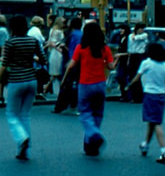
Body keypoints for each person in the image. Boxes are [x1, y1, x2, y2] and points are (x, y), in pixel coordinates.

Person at [0, 15, 46, 160]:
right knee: (25, 115)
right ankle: (23, 150)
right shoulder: (33, 41)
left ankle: (22, 139)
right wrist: (31, 58)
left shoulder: (10, 42)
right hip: (32, 80)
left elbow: (4, 64)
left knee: (11, 114)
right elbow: (43, 59)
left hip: (16, 80)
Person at [62, 22, 117, 157]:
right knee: (97, 113)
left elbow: (71, 65)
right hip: (100, 84)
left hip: (85, 84)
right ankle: (90, 145)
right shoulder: (104, 48)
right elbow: (110, 67)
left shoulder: (81, 48)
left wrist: (64, 80)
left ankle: (94, 134)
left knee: (85, 112)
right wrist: (115, 60)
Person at [125, 43, 165, 164]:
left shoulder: (147, 63)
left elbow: (137, 77)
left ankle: (164, 150)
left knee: (155, 123)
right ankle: (145, 144)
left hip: (150, 94)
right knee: (152, 121)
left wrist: (129, 86)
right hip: (162, 95)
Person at [53, 17, 84, 114]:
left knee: (67, 83)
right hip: (81, 62)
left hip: (72, 61)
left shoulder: (73, 35)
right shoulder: (82, 34)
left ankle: (62, 106)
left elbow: (73, 49)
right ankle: (74, 104)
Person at [122, 22, 149, 103]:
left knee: (138, 76)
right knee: (131, 75)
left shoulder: (144, 35)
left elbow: (136, 38)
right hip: (133, 56)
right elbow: (130, 47)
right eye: (141, 28)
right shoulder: (130, 36)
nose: (142, 30)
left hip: (140, 56)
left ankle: (139, 96)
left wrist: (134, 35)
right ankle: (134, 96)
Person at [44, 17, 66, 95]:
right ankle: (47, 87)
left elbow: (50, 42)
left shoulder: (52, 30)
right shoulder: (59, 32)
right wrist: (60, 48)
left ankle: (47, 87)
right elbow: (58, 42)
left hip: (53, 53)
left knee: (55, 73)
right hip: (58, 53)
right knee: (58, 72)